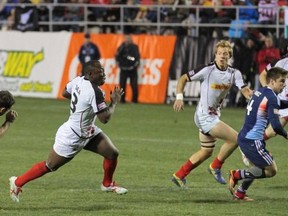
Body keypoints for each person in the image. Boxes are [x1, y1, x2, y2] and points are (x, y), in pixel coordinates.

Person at [9, 60, 128, 203]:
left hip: (88, 131)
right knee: (50, 166)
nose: (104, 76)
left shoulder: (78, 80)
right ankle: (17, 182)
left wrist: (81, 103)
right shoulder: (94, 91)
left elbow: (65, 92)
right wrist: (114, 102)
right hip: (73, 135)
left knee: (112, 153)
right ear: (90, 74)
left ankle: (107, 184)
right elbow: (104, 118)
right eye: (100, 73)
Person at [171, 40, 253, 189]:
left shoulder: (234, 73)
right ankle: (216, 167)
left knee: (206, 151)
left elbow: (244, 89)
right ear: (215, 55)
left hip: (213, 116)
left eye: (225, 54)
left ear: (230, 56)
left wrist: (250, 95)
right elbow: (183, 78)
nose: (222, 56)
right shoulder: (207, 70)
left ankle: (179, 175)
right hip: (205, 117)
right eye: (220, 53)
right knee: (236, 139)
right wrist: (179, 98)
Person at [229, 67, 288, 201]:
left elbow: (279, 103)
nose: (284, 84)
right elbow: (276, 126)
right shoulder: (272, 97)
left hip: (244, 137)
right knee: (271, 170)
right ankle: (236, 175)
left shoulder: (261, 91)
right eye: (281, 81)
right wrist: (286, 135)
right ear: (272, 81)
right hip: (252, 141)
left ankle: (240, 194)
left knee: (258, 166)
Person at [115, 35, 140, 103]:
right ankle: (122, 100)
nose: (127, 40)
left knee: (134, 85)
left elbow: (136, 58)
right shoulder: (121, 47)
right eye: (126, 39)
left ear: (131, 40)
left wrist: (134, 64)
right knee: (122, 85)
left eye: (129, 39)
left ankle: (134, 100)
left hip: (132, 70)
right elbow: (117, 56)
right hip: (123, 69)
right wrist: (119, 63)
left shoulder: (134, 47)